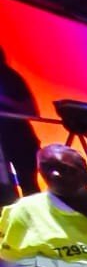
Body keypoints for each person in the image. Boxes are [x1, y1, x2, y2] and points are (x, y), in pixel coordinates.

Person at [0, 47, 39, 205]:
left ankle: (34, 217)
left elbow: (32, 111)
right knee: (5, 190)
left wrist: (3, 100)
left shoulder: (10, 77)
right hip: (4, 144)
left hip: (20, 140)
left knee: (29, 186)